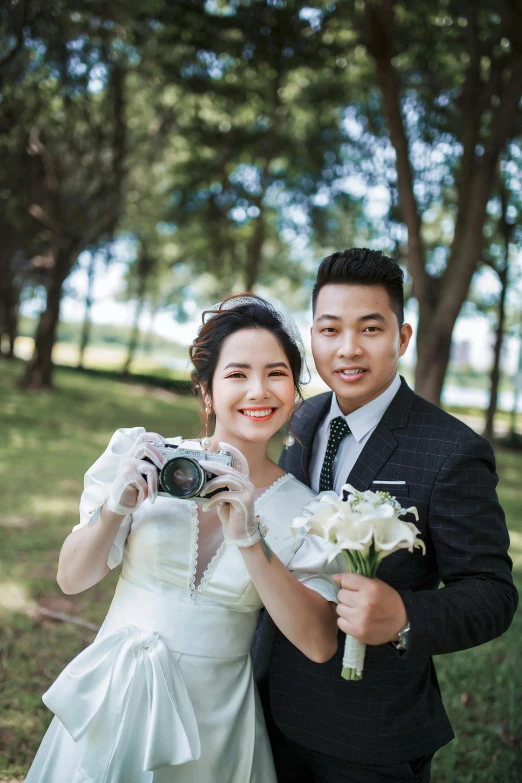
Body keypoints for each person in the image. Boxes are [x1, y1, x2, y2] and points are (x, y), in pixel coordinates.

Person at [25, 295, 340, 783]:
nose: (258, 390)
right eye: (237, 374)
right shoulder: (145, 457)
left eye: (276, 374)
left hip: (214, 724)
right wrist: (117, 506)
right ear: (208, 391)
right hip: (114, 699)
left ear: (295, 391)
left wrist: (251, 539)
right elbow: (71, 578)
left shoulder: (308, 510)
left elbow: (319, 643)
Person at [257, 248, 518, 783]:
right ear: (313, 337)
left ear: (402, 338)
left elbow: (492, 592)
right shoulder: (304, 418)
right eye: (329, 330)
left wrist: (404, 616)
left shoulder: (451, 451)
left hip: (368, 734)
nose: (348, 349)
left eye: (370, 329)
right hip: (268, 704)